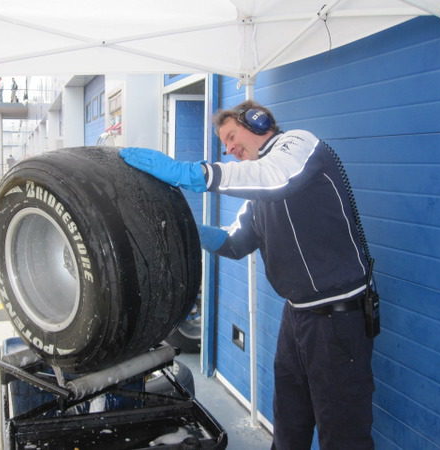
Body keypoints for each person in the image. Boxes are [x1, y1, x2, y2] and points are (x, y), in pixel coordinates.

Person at [120, 100, 376, 450]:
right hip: (297, 316)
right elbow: (236, 242)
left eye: (230, 136)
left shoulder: (298, 145)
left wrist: (193, 174)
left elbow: (277, 179)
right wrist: (187, 231)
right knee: (289, 420)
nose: (228, 149)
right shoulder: (259, 196)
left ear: (257, 121)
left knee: (343, 432)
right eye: (224, 144)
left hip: (337, 319)